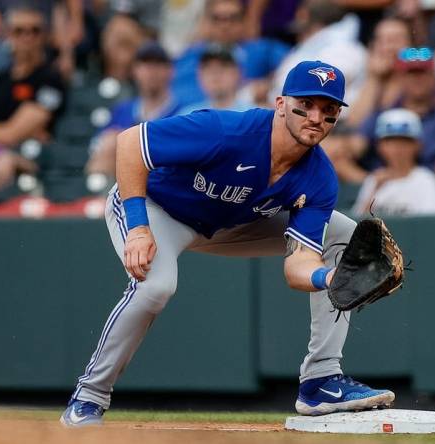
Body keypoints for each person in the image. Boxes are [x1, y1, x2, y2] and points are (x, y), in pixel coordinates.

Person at [59, 60, 395, 427]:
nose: (316, 116)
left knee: (344, 232)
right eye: (307, 104)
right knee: (156, 287)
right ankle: (88, 398)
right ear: (281, 104)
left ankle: (320, 381)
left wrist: (331, 280)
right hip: (158, 209)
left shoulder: (319, 178)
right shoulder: (226, 131)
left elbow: (297, 267)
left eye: (328, 110)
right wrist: (138, 228)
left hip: (231, 223)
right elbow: (130, 144)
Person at [0, 4, 66, 148]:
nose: (27, 37)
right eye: (19, 31)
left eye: (35, 31)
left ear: (45, 36)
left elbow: (11, 134)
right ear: (8, 35)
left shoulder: (51, 80)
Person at [85, 42, 187, 178]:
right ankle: (96, 197)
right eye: (146, 65)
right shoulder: (123, 109)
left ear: (171, 71)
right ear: (135, 71)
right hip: (121, 177)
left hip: (165, 178)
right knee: (109, 143)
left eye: (158, 64)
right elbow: (96, 147)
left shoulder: (184, 111)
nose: (152, 72)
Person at [173, 0, 290, 106]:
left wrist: (269, 85)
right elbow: (177, 94)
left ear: (244, 22)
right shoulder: (190, 57)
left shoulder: (262, 50)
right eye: (217, 18)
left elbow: (294, 64)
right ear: (206, 22)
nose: (225, 25)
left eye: (233, 18)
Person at [353, 108, 435, 215]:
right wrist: (375, 190)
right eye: (390, 142)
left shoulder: (426, 180)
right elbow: (358, 225)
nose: (397, 149)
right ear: (380, 146)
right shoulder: (374, 180)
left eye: (404, 142)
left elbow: (431, 224)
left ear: (417, 145)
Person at [178, 45, 255, 114]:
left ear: (239, 73)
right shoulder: (187, 116)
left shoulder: (254, 117)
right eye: (208, 68)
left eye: (223, 66)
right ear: (199, 75)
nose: (215, 74)